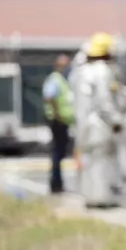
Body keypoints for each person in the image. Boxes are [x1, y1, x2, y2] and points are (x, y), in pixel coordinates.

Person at [73, 32, 126, 208]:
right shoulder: (103, 71)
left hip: (84, 126)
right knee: (102, 162)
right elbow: (105, 102)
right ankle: (101, 199)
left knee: (89, 163)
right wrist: (116, 121)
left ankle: (90, 197)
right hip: (100, 126)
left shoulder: (81, 71)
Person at [42, 54, 76, 194]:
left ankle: (58, 182)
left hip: (62, 120)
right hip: (58, 120)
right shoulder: (55, 79)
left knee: (60, 152)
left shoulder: (62, 80)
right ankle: (55, 183)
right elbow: (50, 97)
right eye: (65, 65)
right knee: (57, 152)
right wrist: (58, 114)